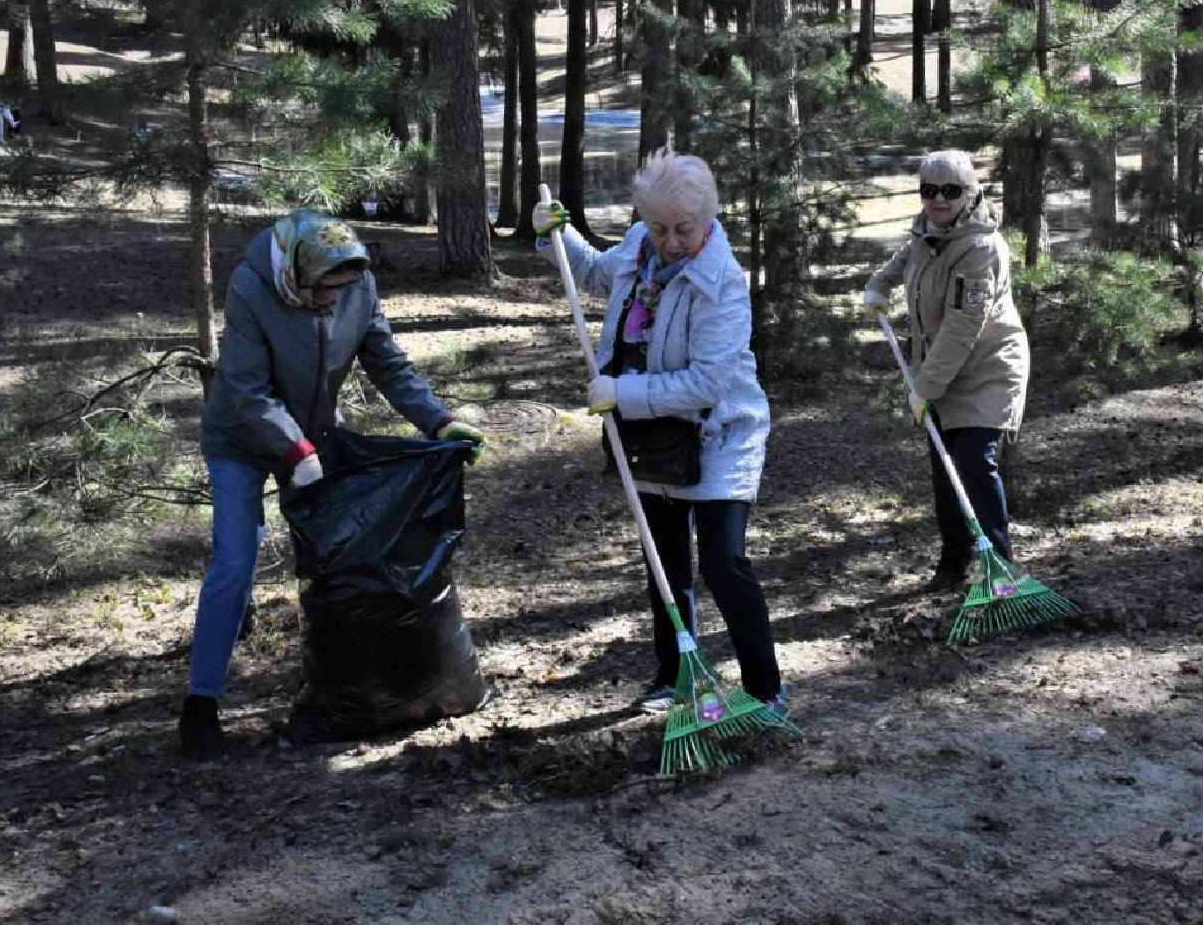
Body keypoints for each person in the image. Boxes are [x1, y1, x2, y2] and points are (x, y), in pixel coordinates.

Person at [182, 209, 486, 760]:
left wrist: (439, 421)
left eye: (341, 292)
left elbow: (387, 361)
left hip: (317, 435)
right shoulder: (252, 288)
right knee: (235, 558)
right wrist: (294, 450)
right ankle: (200, 705)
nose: (332, 302)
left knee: (339, 561)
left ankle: (342, 674)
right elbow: (248, 390)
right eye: (323, 293)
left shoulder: (356, 282)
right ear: (295, 276)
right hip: (241, 440)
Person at [533, 149, 788, 717]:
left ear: (710, 219)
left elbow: (705, 382)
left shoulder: (722, 282)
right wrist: (558, 236)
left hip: (719, 433)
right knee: (665, 561)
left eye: (683, 229)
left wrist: (621, 393)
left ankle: (766, 692)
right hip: (651, 436)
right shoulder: (637, 248)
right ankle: (675, 676)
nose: (669, 241)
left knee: (724, 562)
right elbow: (596, 274)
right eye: (658, 227)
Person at [863, 150, 1030, 592]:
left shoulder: (980, 248)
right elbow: (907, 255)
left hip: (987, 369)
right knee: (945, 467)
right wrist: (879, 284)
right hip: (940, 367)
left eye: (950, 191)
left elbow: (963, 326)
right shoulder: (929, 231)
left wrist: (924, 386)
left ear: (970, 193)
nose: (938, 199)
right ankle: (954, 564)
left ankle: (1000, 569)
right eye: (929, 190)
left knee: (974, 459)